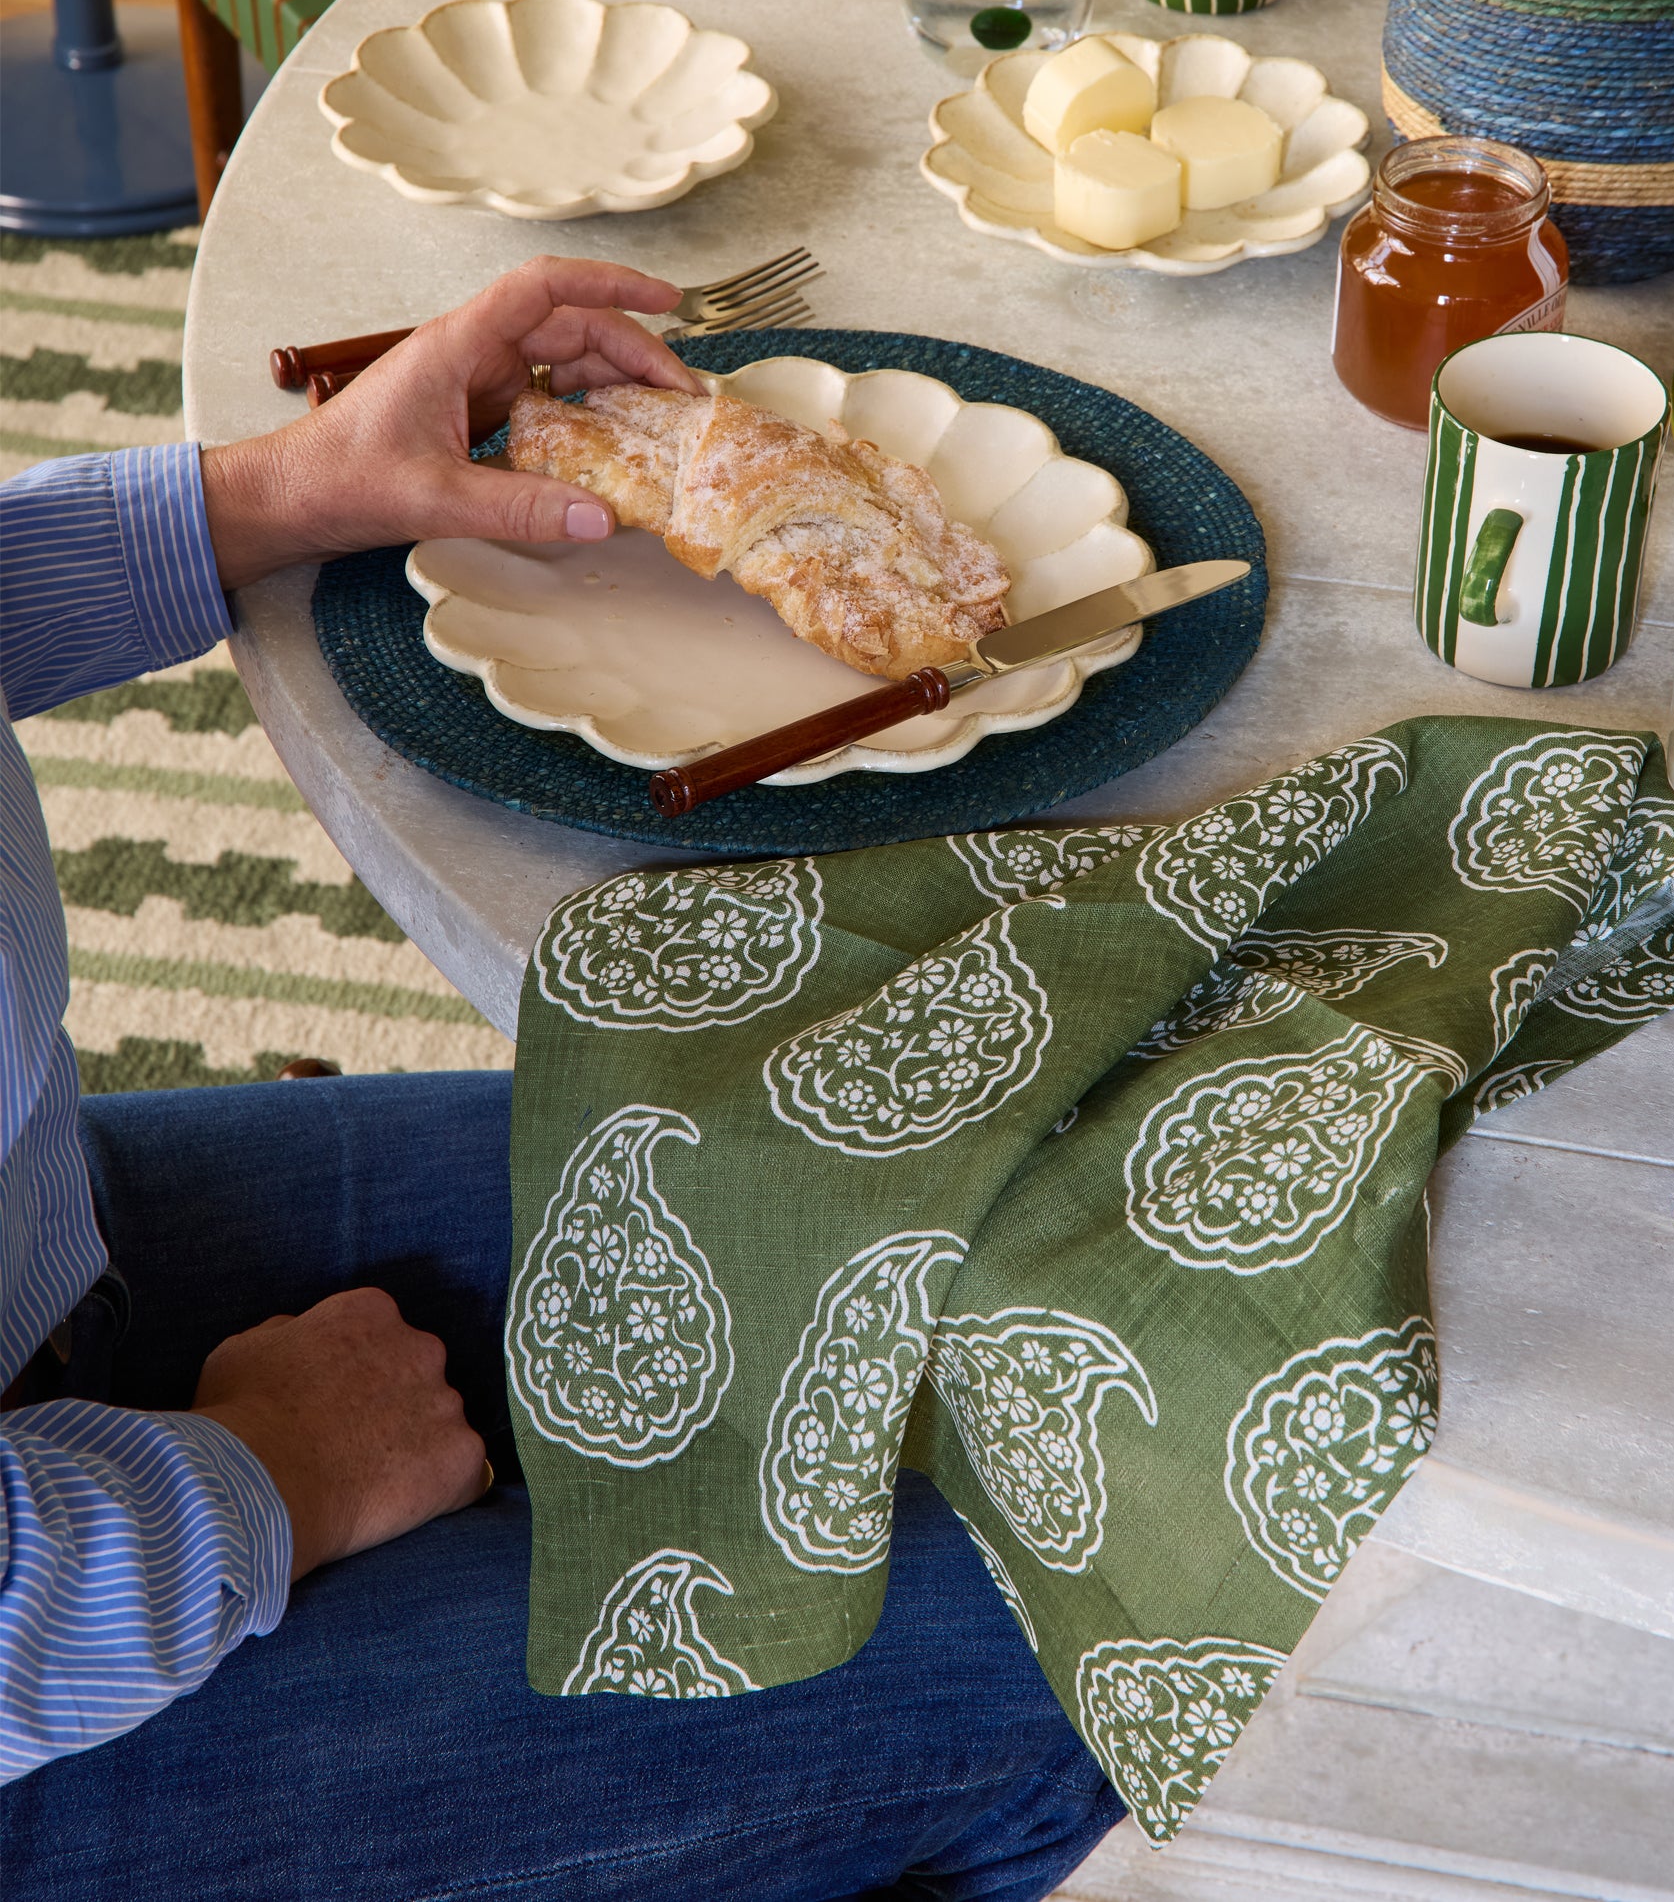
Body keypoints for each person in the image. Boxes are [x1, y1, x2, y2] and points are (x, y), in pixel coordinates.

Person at [0, 258, 1122, 1898]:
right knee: (1076, 1654)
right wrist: (283, 1469)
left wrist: (274, 494)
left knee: (907, 1199)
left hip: (47, 1241)